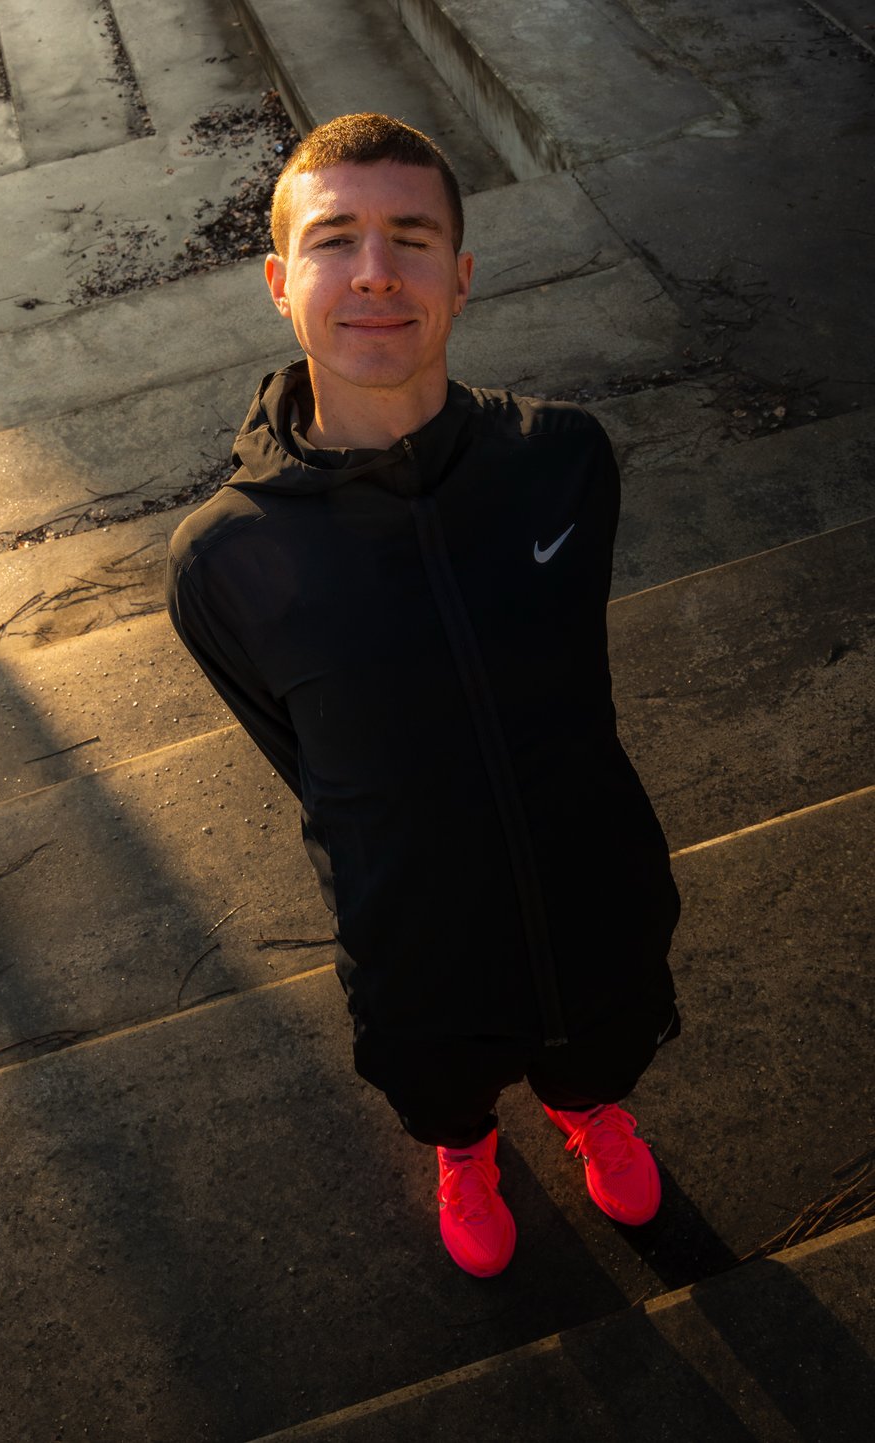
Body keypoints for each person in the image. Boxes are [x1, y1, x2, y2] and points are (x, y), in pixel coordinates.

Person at [166, 112, 681, 1278]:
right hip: (411, 929)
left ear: (459, 274)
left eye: (409, 237)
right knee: (437, 1074)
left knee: (602, 1036)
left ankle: (591, 1109)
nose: (372, 272)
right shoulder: (223, 563)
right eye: (334, 239)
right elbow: (301, 756)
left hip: (594, 877)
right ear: (277, 281)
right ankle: (462, 1149)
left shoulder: (565, 461)